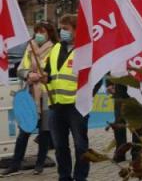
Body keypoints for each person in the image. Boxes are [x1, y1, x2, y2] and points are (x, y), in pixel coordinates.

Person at [4, 22, 56, 175]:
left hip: (46, 95)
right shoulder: (29, 47)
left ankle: (40, 164)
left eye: (43, 31)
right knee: (24, 132)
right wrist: (28, 74)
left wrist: (41, 75)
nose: (39, 34)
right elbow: (20, 69)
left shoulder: (55, 49)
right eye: (37, 31)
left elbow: (52, 72)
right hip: (30, 95)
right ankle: (15, 163)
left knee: (44, 131)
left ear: (49, 33)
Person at [43, 14, 91, 181]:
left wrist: (85, 94)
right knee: (60, 146)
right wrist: (44, 77)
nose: (62, 32)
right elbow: (49, 72)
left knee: (80, 146)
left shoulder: (85, 50)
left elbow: (95, 78)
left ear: (77, 30)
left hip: (77, 106)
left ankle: (80, 177)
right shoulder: (56, 48)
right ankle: (64, 177)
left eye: (66, 29)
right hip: (56, 105)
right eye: (61, 28)